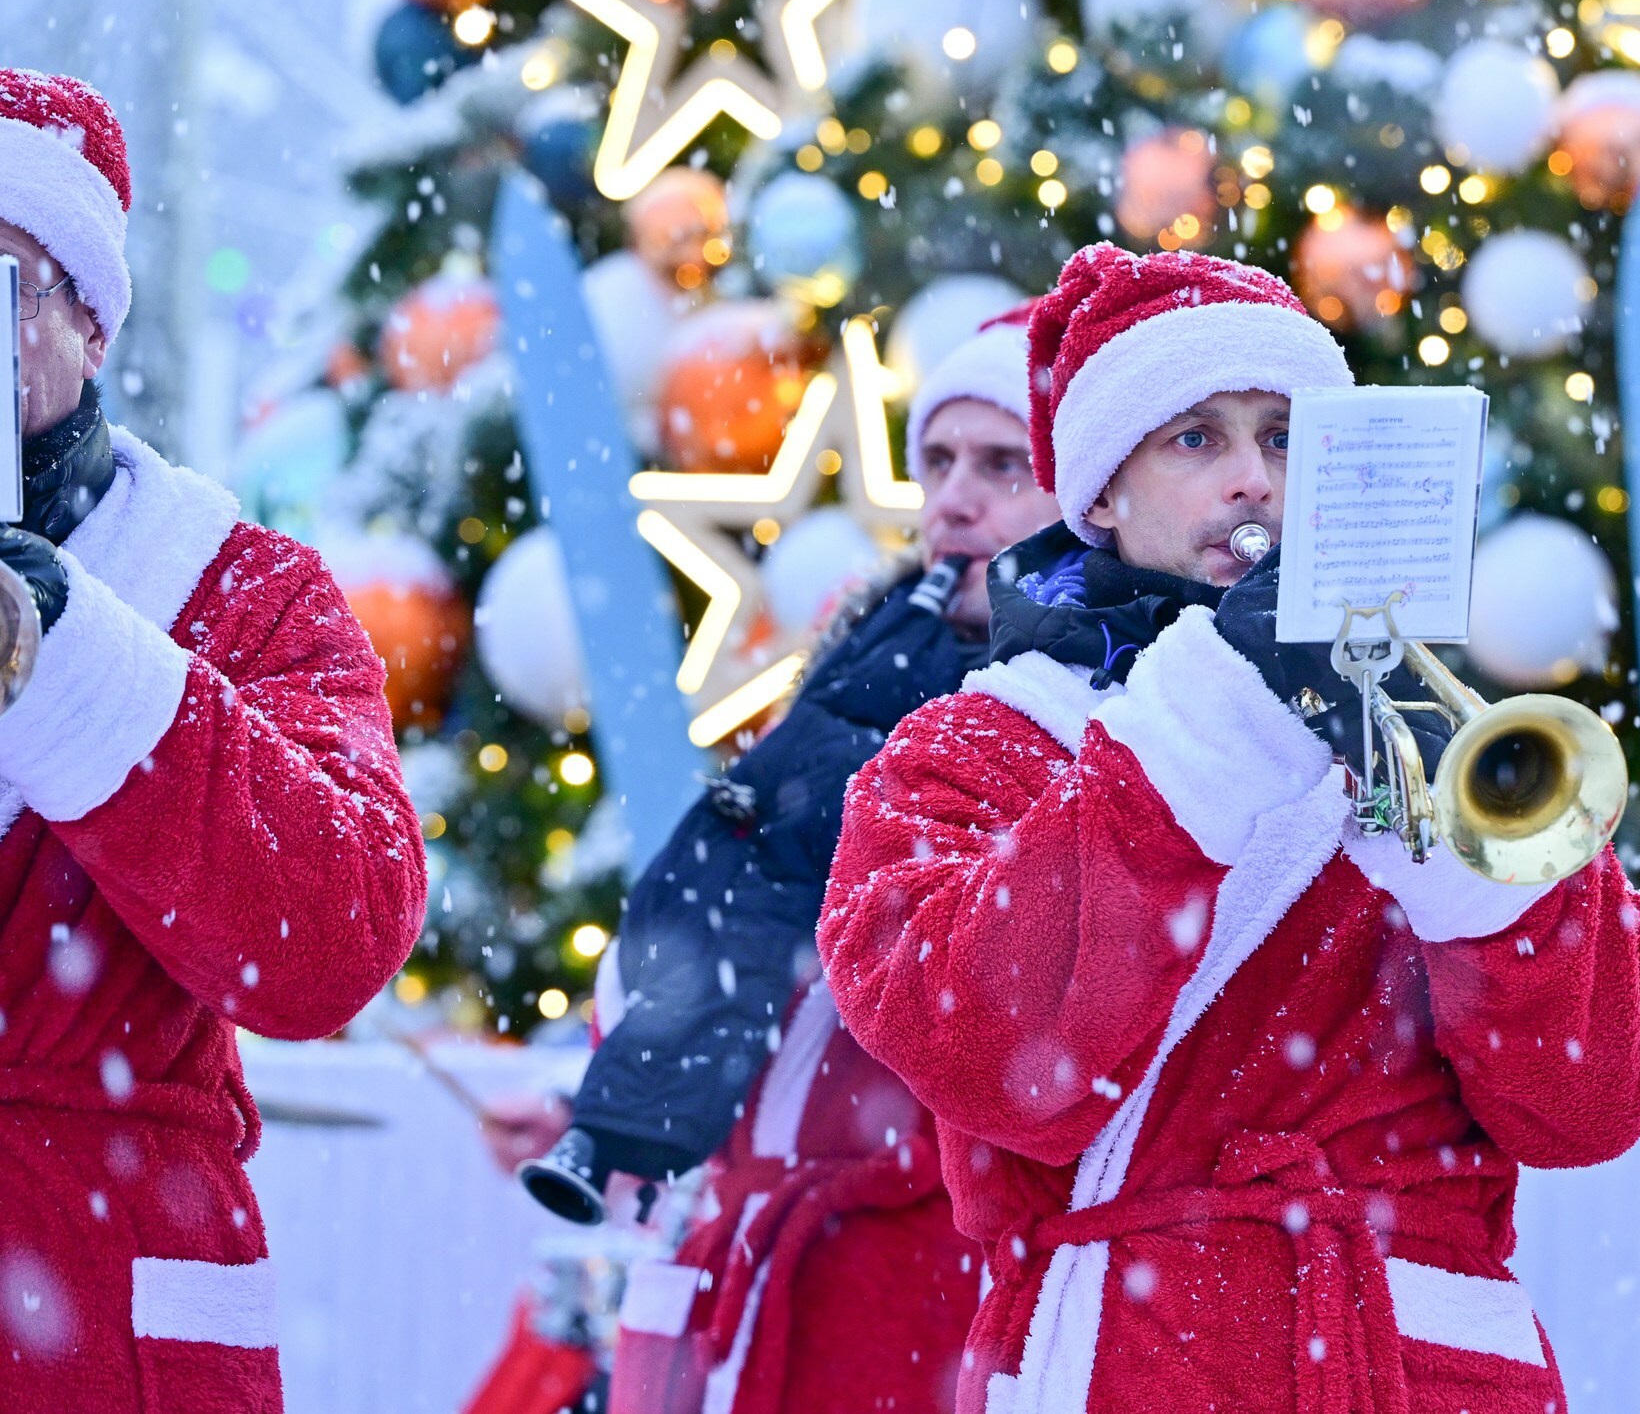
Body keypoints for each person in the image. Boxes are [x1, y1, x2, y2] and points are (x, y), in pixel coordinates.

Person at [820, 243, 1640, 1414]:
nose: (1252, 480)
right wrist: (1216, 717)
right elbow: (993, 1053)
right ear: (1101, 494)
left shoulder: (1449, 728)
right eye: (1197, 438)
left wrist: (1466, 863)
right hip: (1124, 1358)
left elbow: (1596, 1099)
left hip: (1418, 1359)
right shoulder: (967, 753)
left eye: (1284, 438)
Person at [530, 312, 1057, 1414]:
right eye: (941, 461)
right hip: (740, 1262)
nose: (954, 499)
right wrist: (616, 1078)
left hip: (914, 1283)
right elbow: (706, 930)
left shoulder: (1084, 726)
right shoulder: (851, 688)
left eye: (1006, 465)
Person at [0, 69, 425, 1409]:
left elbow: (336, 935)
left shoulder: (238, 594)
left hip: (109, 1301)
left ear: (90, 324)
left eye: (2, 285)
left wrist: (73, 659)